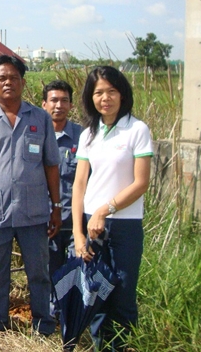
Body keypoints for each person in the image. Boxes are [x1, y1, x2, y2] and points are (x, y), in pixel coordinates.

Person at [0, 55, 62, 335]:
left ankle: (43, 326)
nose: (8, 82)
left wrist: (56, 206)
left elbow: (51, 165)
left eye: (14, 77)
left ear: (23, 82)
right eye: (2, 78)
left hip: (34, 213)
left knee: (39, 273)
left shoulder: (41, 118)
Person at [71, 66, 153, 351]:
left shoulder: (137, 130)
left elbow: (141, 183)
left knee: (123, 291)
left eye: (111, 91)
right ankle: (100, 346)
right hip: (90, 223)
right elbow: (79, 184)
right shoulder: (88, 135)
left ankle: (122, 345)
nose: (105, 98)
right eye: (98, 93)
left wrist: (105, 210)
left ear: (122, 94)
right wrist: (78, 234)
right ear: (90, 97)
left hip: (124, 224)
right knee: (96, 292)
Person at [42, 80, 83, 275]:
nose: (59, 105)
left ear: (71, 105)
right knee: (50, 275)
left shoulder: (83, 137)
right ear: (44, 104)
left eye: (64, 100)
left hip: (77, 221)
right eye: (54, 100)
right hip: (45, 220)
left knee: (79, 272)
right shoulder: (35, 135)